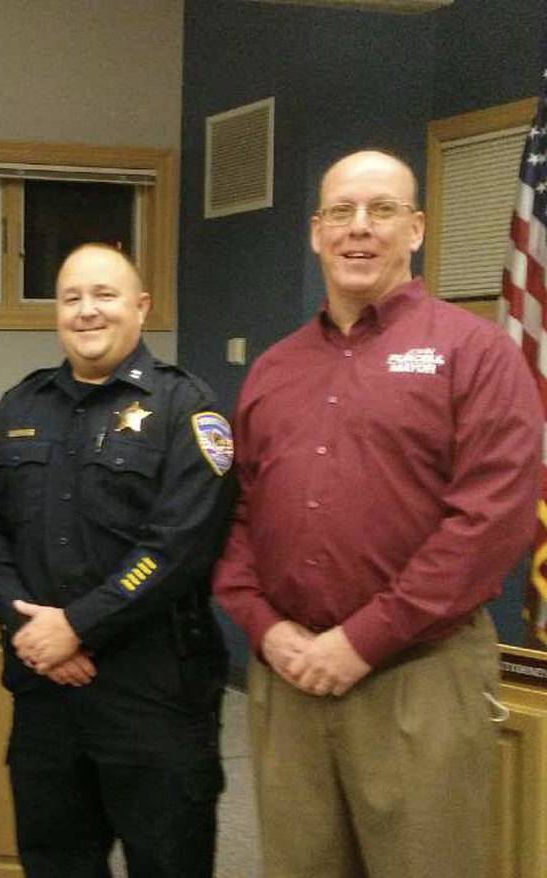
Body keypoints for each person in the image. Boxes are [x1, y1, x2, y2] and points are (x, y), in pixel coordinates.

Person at [212, 149, 540, 878]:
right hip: (290, 677)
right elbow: (237, 520)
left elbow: (488, 525)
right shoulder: (275, 368)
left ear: (416, 228)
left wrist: (361, 640)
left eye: (382, 210)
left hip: (418, 674)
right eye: (341, 212)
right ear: (315, 231)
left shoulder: (475, 354)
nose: (359, 229)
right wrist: (267, 632)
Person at [0, 244, 234, 878]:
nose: (87, 311)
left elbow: (179, 548)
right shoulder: (18, 408)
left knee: (167, 862)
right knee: (55, 862)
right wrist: (30, 629)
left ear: (140, 308)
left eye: (105, 296)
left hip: (154, 694)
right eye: (71, 298)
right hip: (45, 697)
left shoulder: (186, 409)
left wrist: (77, 625)